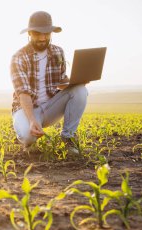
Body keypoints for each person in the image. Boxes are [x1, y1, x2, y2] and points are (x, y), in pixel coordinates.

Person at [10, 11, 88, 155]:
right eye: (37, 34)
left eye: (46, 34)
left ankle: (68, 138)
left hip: (50, 107)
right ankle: (27, 133)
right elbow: (23, 93)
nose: (42, 38)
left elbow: (61, 82)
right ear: (30, 33)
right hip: (27, 109)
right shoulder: (18, 57)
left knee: (80, 90)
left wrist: (77, 81)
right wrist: (32, 120)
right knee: (29, 137)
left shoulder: (58, 52)